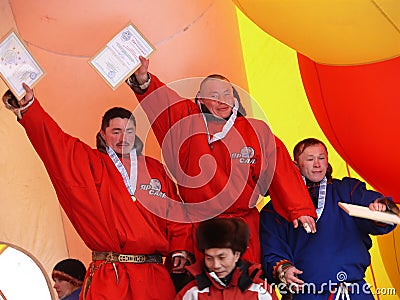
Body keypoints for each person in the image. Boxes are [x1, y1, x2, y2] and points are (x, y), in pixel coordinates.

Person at [2, 84, 194, 300]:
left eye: (129, 131)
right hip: (112, 279)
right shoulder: (90, 163)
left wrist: (180, 248)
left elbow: (177, 214)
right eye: (116, 132)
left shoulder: (155, 169)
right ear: (103, 134)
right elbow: (56, 143)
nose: (124, 138)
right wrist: (29, 108)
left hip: (154, 278)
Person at [125, 57, 317, 263]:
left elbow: (281, 168)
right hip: (201, 229)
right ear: (200, 99)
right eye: (214, 95)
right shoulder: (187, 122)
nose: (222, 100)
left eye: (227, 94)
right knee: (205, 290)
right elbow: (164, 103)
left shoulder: (255, 130)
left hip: (243, 228)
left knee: (247, 287)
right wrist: (144, 80)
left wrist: (300, 209)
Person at [260, 137, 397, 299]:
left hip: (353, 291)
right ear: (296, 165)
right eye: (310, 159)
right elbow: (272, 248)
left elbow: (376, 206)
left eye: (321, 158)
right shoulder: (276, 207)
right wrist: (285, 270)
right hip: (306, 294)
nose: (317, 164)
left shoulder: (347, 190)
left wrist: (380, 207)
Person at [175, 217, 277, 299]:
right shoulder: (192, 293)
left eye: (222, 257)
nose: (216, 265)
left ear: (236, 255)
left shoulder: (260, 291)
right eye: (209, 258)